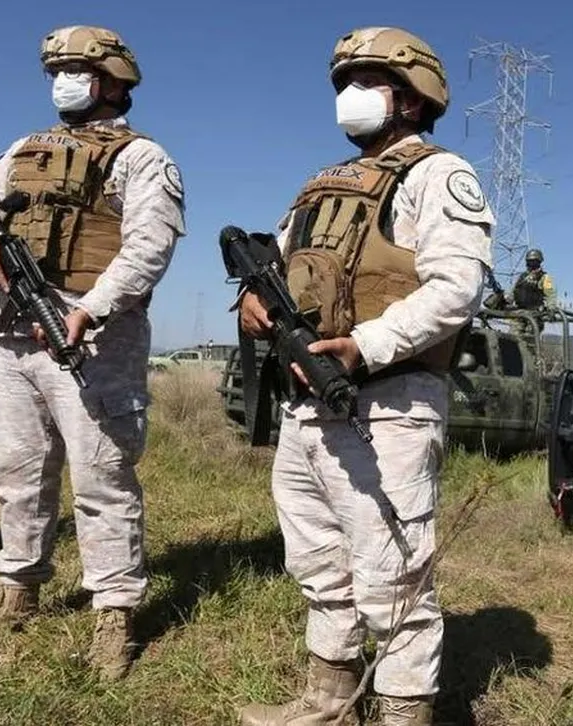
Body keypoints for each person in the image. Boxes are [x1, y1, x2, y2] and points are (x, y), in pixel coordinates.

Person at [235, 26, 494, 726]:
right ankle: (327, 701)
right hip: (306, 403)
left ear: (413, 99)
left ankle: (405, 713)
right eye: (345, 81)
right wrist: (253, 304)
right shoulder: (321, 187)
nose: (350, 96)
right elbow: (279, 269)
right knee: (317, 559)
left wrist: (367, 346)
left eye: (368, 81)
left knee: (395, 576)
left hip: (388, 399)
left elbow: (455, 290)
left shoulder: (440, 175)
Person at [0, 25, 187, 681]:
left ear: (113, 81)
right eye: (57, 69)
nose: (62, 80)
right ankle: (17, 593)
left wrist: (88, 309)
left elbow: (149, 249)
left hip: (95, 332)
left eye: (76, 68)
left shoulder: (143, 157)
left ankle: (114, 613)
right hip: (14, 328)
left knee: (102, 478)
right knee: (17, 470)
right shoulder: (23, 149)